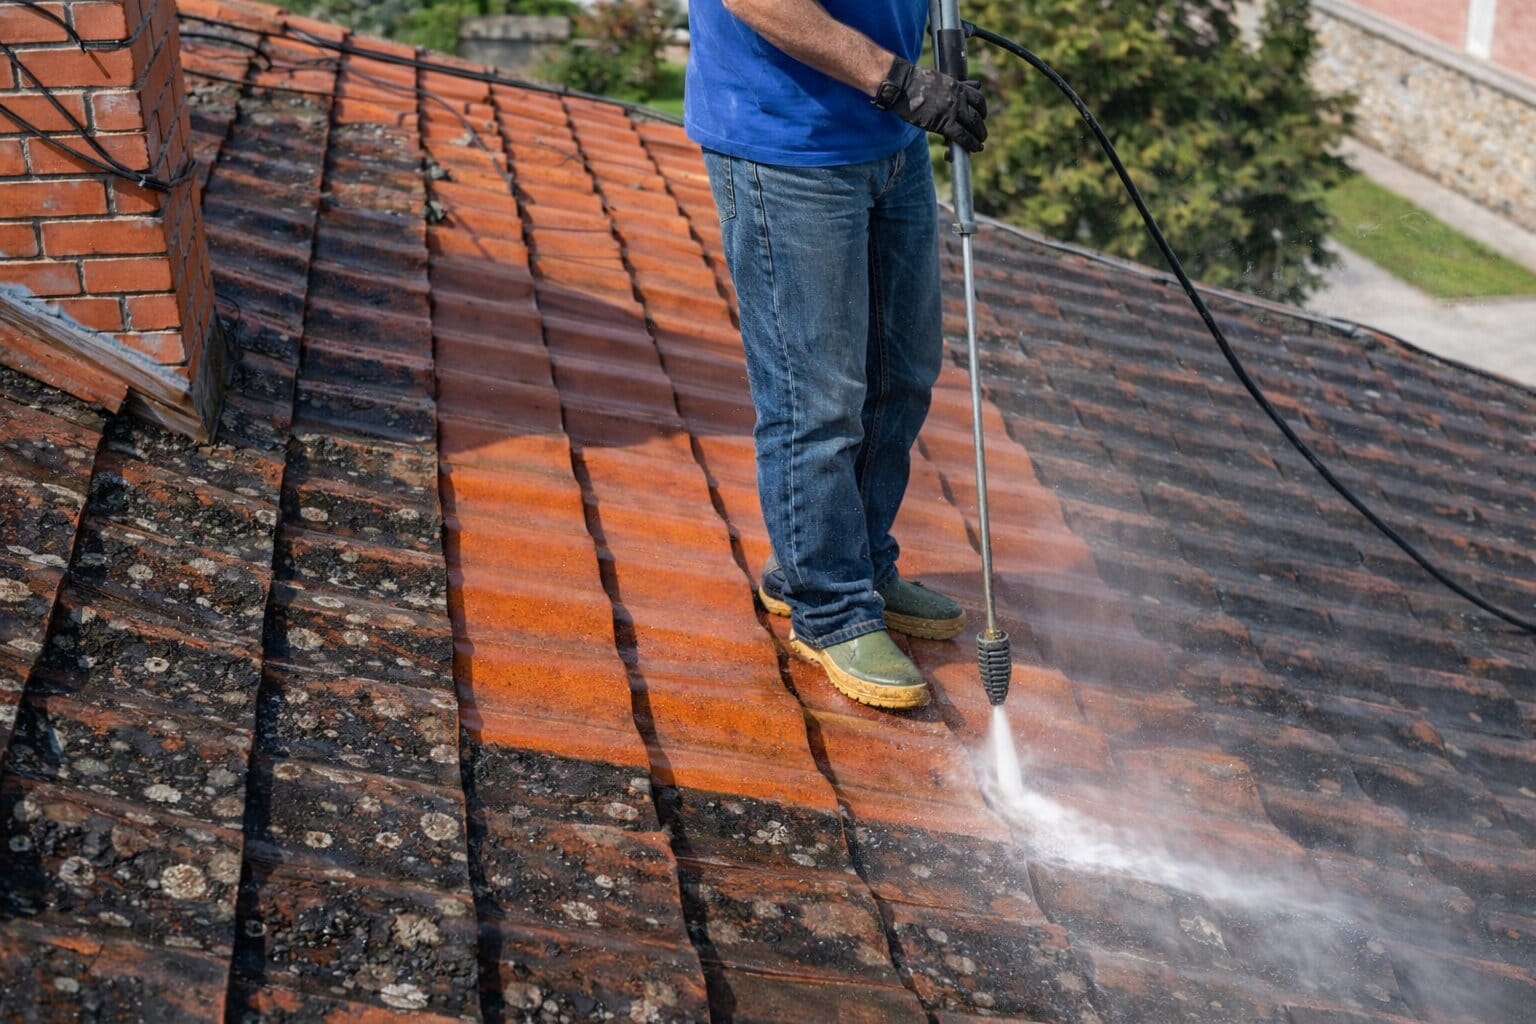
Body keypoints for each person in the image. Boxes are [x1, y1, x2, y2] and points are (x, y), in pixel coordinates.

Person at [685, 0, 988, 709]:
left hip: (889, 136)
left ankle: (859, 562)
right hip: (788, 142)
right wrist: (900, 82)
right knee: (814, 397)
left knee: (902, 371)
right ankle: (830, 608)